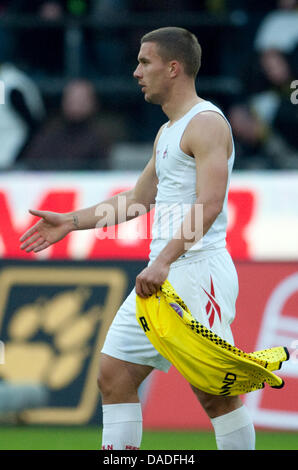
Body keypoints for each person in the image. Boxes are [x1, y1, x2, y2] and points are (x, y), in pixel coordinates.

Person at [19, 27, 255, 450]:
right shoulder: (168, 131)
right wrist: (69, 222)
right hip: (160, 277)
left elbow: (210, 204)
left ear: (174, 67)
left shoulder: (206, 124)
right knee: (112, 376)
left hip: (197, 274)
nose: (135, 72)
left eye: (145, 62)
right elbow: (137, 200)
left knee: (216, 395)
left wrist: (162, 260)